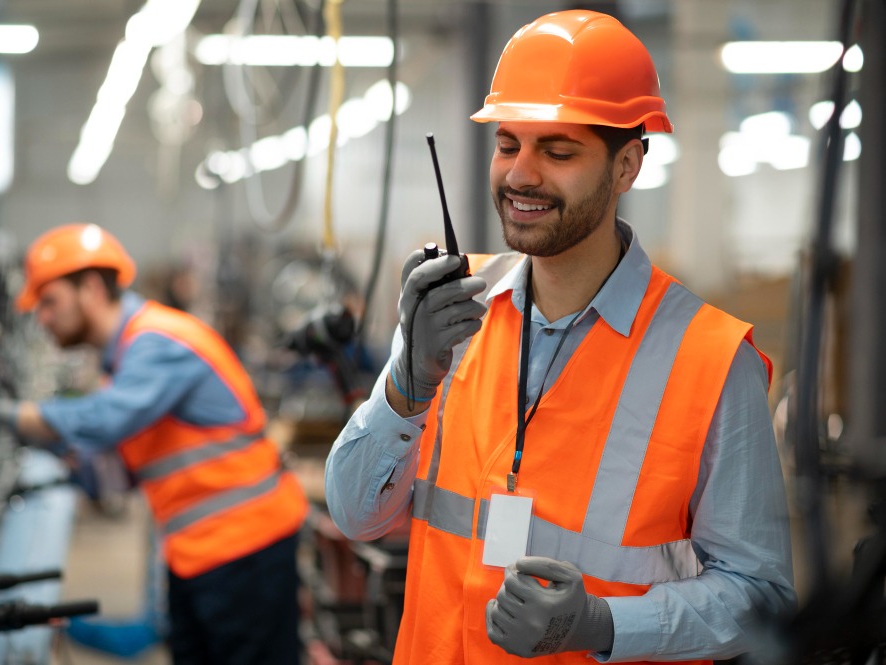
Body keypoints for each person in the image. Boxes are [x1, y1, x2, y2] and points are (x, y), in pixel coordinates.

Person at [324, 9, 796, 664]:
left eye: (558, 150)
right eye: (509, 142)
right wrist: (408, 385)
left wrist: (606, 623)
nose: (521, 174)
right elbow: (356, 512)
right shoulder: (456, 312)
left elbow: (760, 597)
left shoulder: (712, 360)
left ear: (626, 165)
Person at [0, 223, 309, 665]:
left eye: (49, 302)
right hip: (198, 553)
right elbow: (117, 470)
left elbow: (105, 420)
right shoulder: (127, 360)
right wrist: (57, 454)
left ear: (90, 288)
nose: (43, 318)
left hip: (246, 552)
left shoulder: (156, 341)